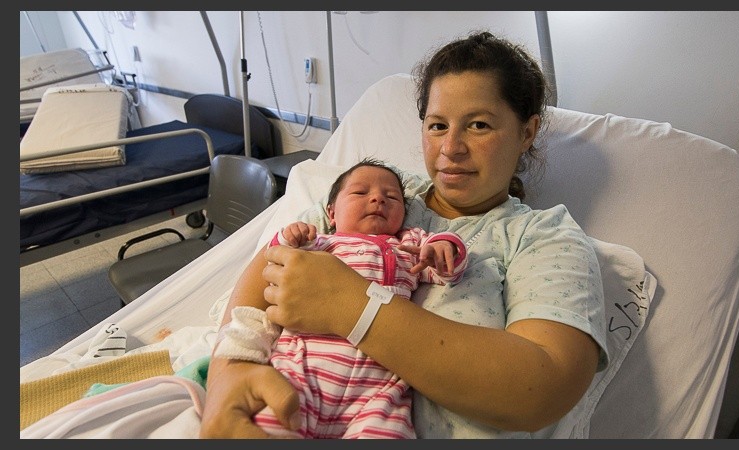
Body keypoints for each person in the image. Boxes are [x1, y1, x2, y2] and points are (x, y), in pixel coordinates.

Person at [200, 30, 609, 439]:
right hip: (295, 409)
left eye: (479, 125)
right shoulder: (382, 190)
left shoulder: (543, 236)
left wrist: (350, 305)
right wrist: (227, 376)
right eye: (437, 125)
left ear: (527, 132)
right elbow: (273, 262)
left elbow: (543, 387)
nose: (451, 148)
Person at [213, 158, 468, 439]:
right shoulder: (321, 243)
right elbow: (275, 262)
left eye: (392, 197)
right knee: (272, 421)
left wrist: (444, 249)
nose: (378, 199)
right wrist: (288, 238)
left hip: (378, 391)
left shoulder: (408, 245)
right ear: (331, 213)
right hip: (301, 372)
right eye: (360, 192)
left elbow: (445, 270)